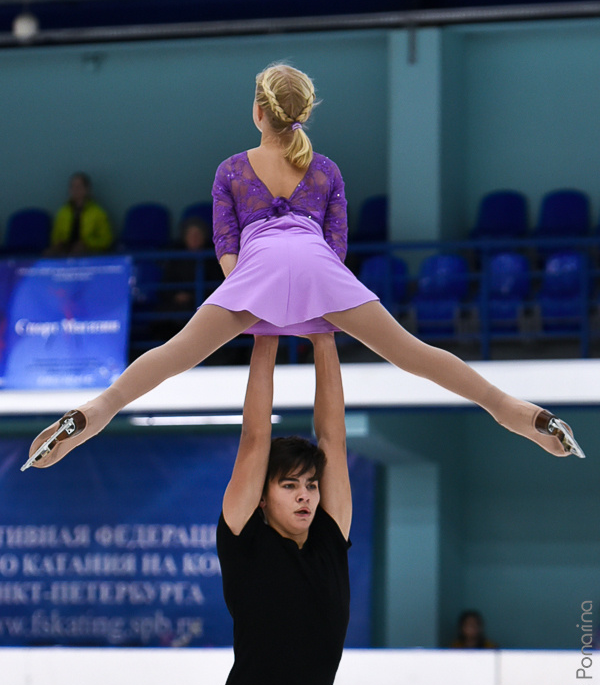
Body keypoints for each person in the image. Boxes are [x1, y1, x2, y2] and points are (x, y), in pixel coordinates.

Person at [22, 63, 583, 471]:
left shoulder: (232, 169)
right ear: (302, 111)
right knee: (416, 355)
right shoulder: (327, 169)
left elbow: (225, 246)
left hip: (257, 267)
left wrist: (253, 308)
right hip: (318, 265)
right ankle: (517, 411)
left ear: (258, 111)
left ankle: (92, 413)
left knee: (168, 359)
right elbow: (335, 247)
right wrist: (317, 313)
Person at [207, 332, 350, 685]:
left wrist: (324, 335)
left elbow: (333, 436)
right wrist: (266, 333)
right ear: (263, 499)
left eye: (310, 485)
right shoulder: (245, 542)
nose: (305, 495)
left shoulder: (330, 543)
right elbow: (255, 437)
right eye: (289, 486)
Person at [45, 172, 114, 257]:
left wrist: (88, 244)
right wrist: (59, 244)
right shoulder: (62, 212)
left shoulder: (98, 213)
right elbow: (55, 237)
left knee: (79, 252)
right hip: (65, 250)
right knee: (49, 254)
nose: (75, 190)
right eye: (73, 187)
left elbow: (106, 240)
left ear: (87, 189)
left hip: (89, 251)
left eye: (79, 186)